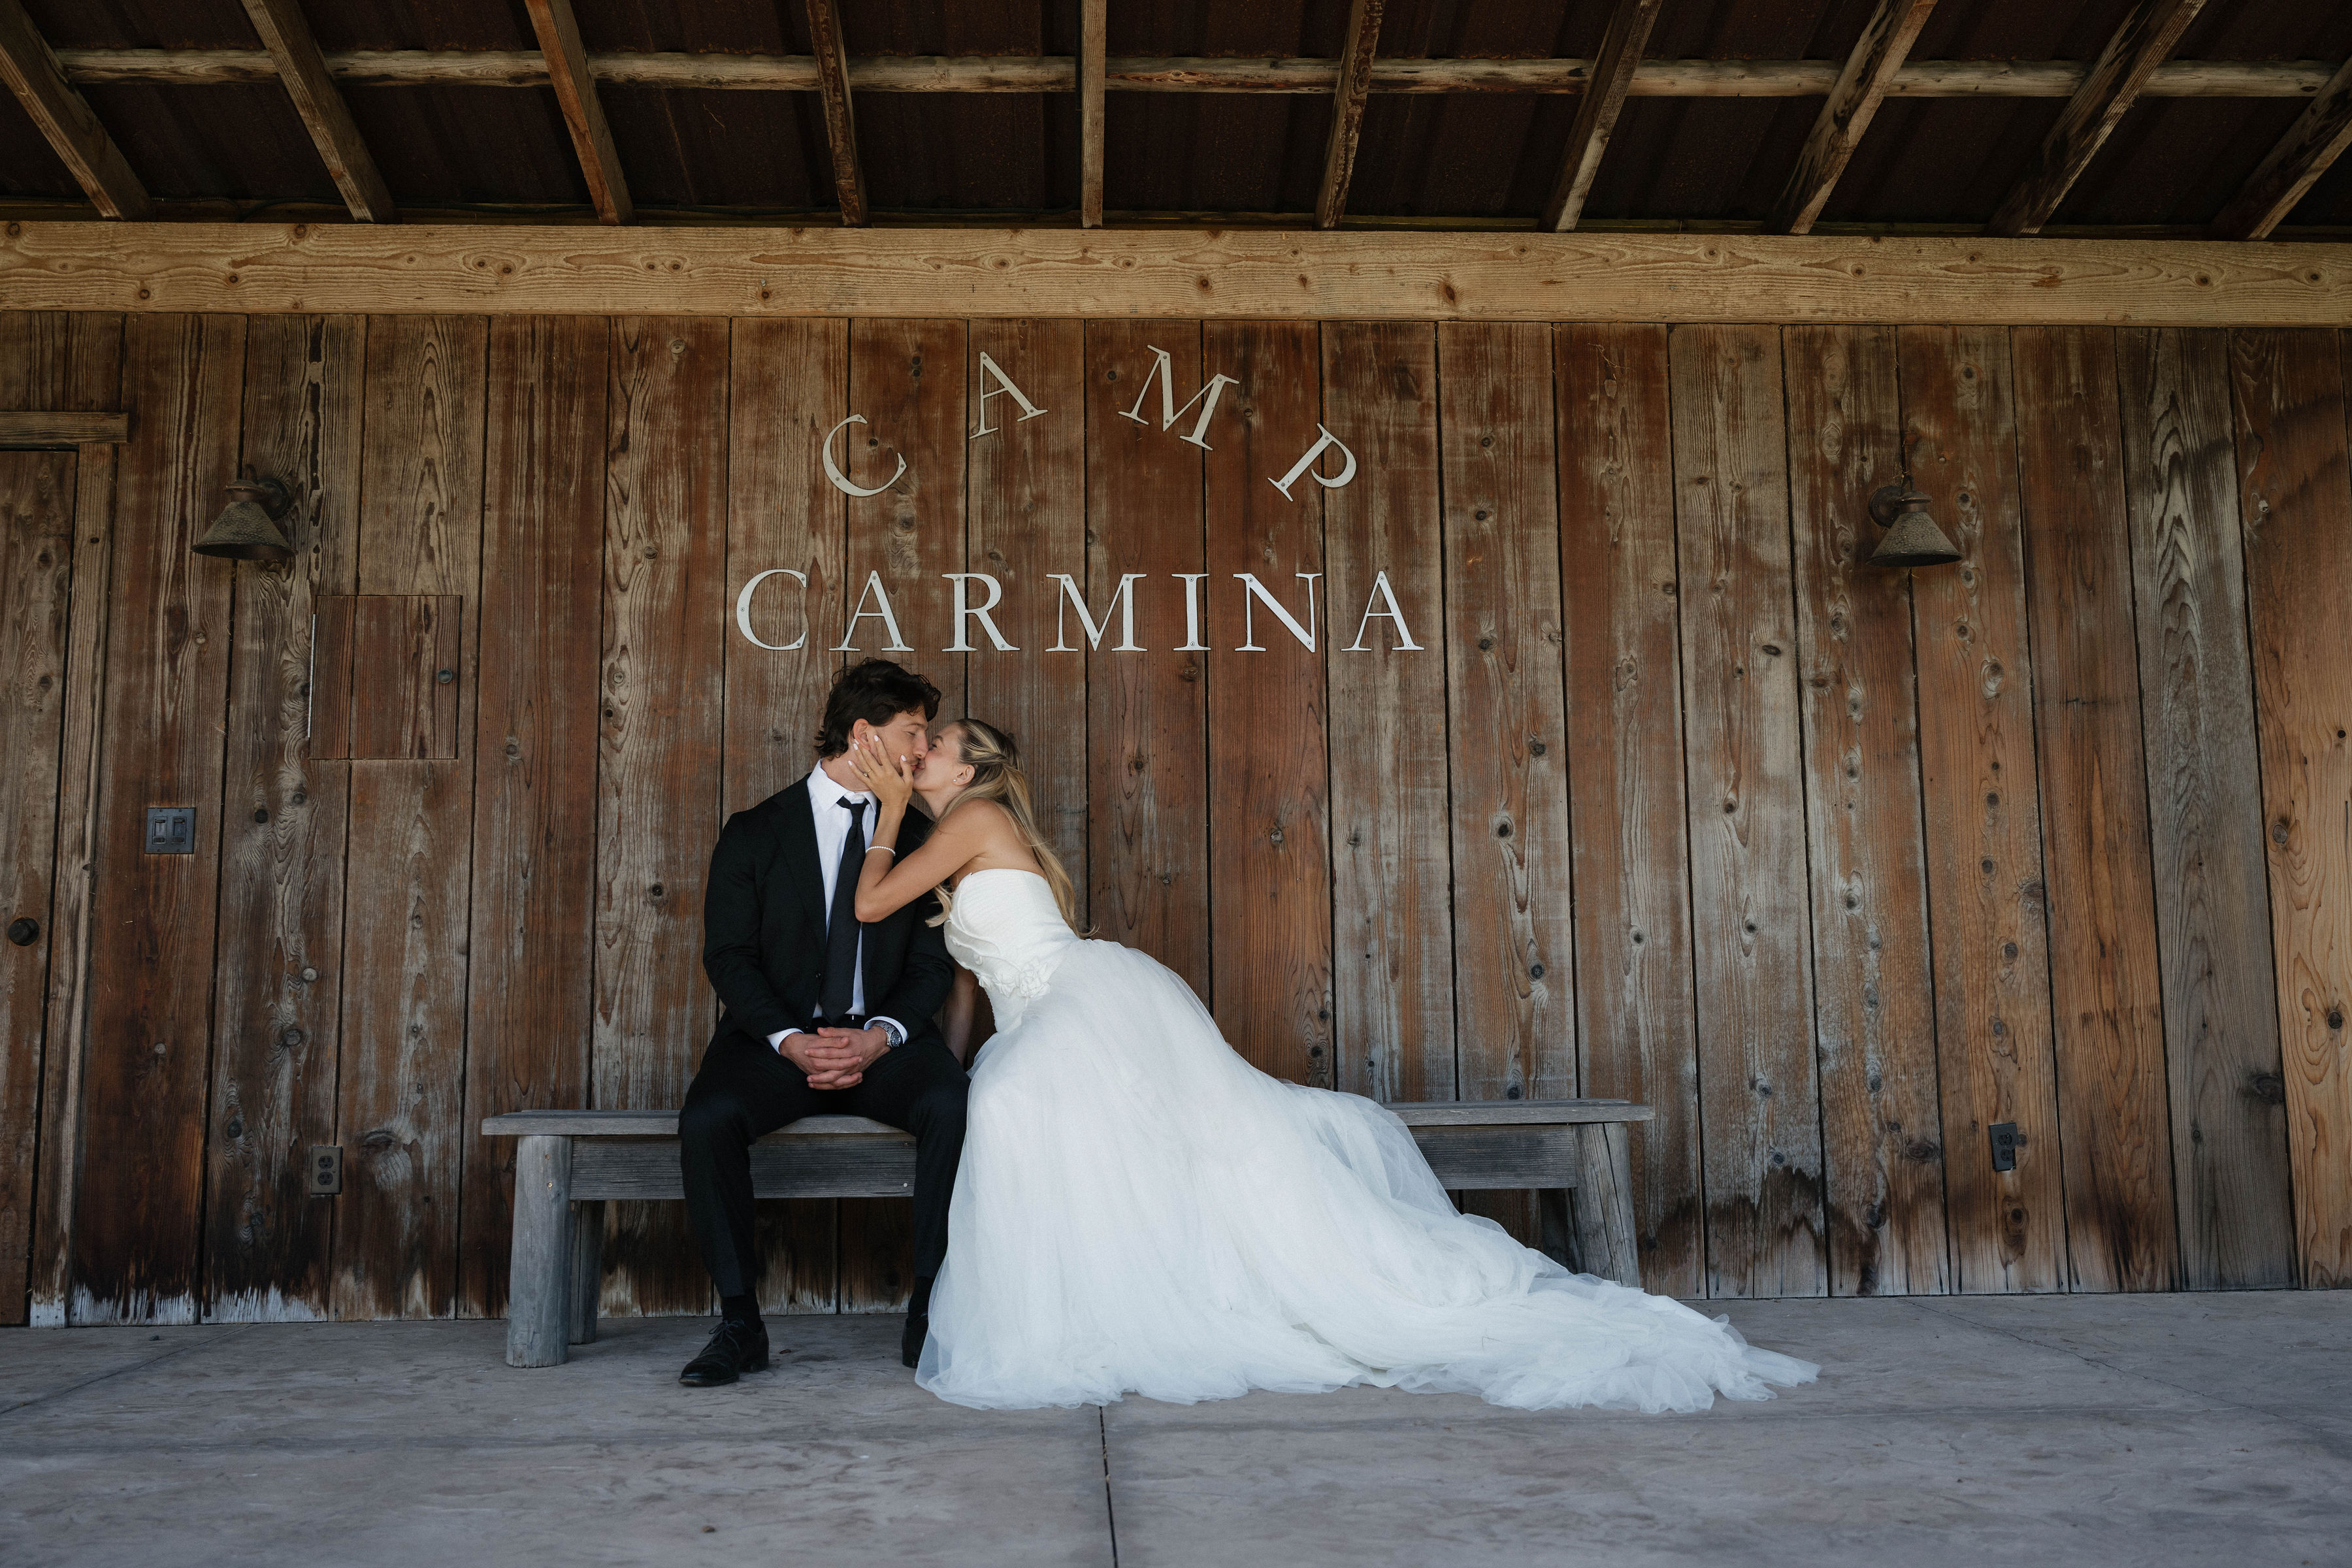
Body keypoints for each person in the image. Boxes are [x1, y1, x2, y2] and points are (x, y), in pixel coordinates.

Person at [844, 717, 1820, 1413]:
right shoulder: (962, 840)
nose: (919, 750)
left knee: (1048, 1116)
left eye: (936, 742)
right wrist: (953, 1071)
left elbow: (870, 904)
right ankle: (1110, 1293)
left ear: (971, 768)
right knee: (1063, 1126)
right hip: (1040, 1017)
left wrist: (887, 809)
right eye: (918, 744)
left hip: (1077, 1004)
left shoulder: (973, 818)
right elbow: (967, 987)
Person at [674, 660, 968, 1388]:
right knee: (707, 1117)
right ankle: (740, 1323)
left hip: (884, 1044)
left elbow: (932, 965)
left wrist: (881, 1034)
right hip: (778, 1045)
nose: (921, 750)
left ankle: (930, 1312)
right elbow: (729, 955)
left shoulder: (926, 839)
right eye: (912, 732)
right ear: (864, 734)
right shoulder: (754, 831)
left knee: (951, 1101)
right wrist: (792, 1041)